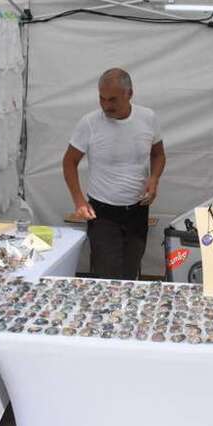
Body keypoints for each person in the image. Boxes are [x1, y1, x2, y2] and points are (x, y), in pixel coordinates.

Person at [62, 68, 166, 279]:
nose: (106, 105)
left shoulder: (148, 118)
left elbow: (158, 155)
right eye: (102, 98)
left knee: (130, 270)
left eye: (112, 100)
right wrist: (79, 201)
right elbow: (69, 162)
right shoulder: (89, 123)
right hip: (103, 213)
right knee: (107, 274)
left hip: (138, 210)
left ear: (130, 94)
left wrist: (154, 179)